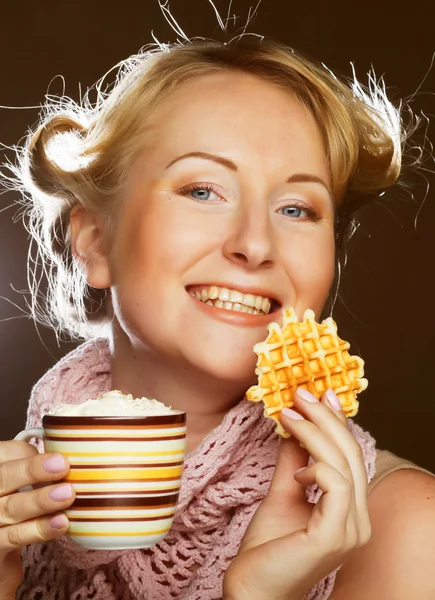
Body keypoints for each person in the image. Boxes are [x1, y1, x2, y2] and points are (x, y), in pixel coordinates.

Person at [0, 37, 434, 600]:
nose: (255, 244)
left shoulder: (409, 533)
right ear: (95, 242)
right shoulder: (15, 515)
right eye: (203, 190)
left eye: (297, 208)